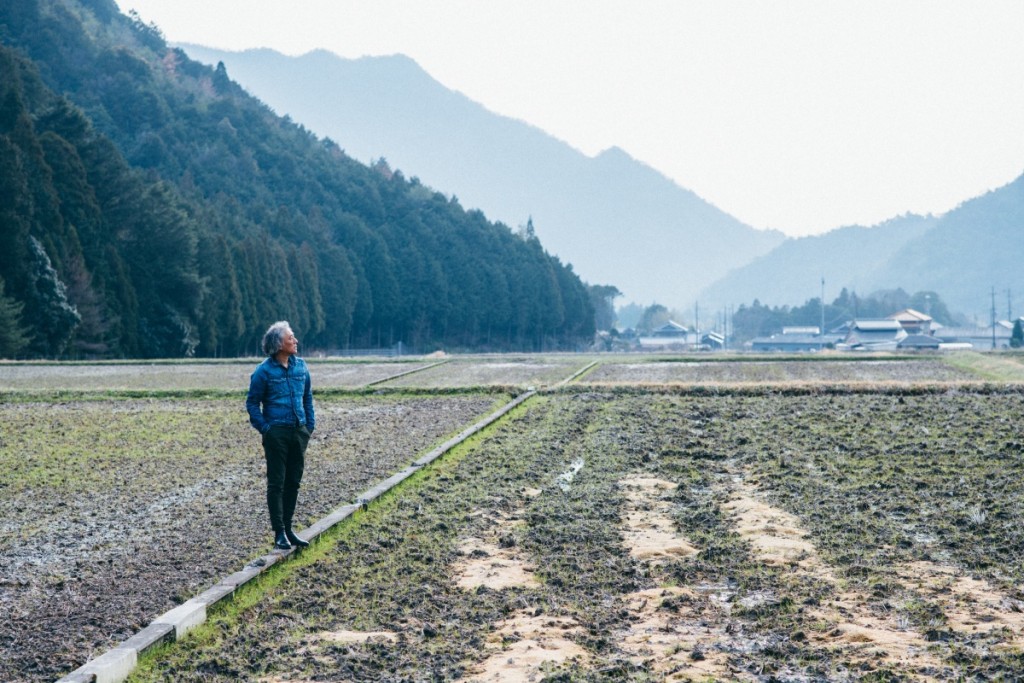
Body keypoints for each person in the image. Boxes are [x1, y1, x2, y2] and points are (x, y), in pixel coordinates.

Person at [246, 321, 315, 550]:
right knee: (276, 483)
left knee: (293, 482)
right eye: (290, 338)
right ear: (278, 344)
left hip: (299, 432)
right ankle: (279, 533)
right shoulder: (263, 372)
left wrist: (309, 426)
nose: (295, 341)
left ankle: (289, 528)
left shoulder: (302, 367)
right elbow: (253, 403)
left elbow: (307, 398)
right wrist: (266, 429)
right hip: (277, 433)